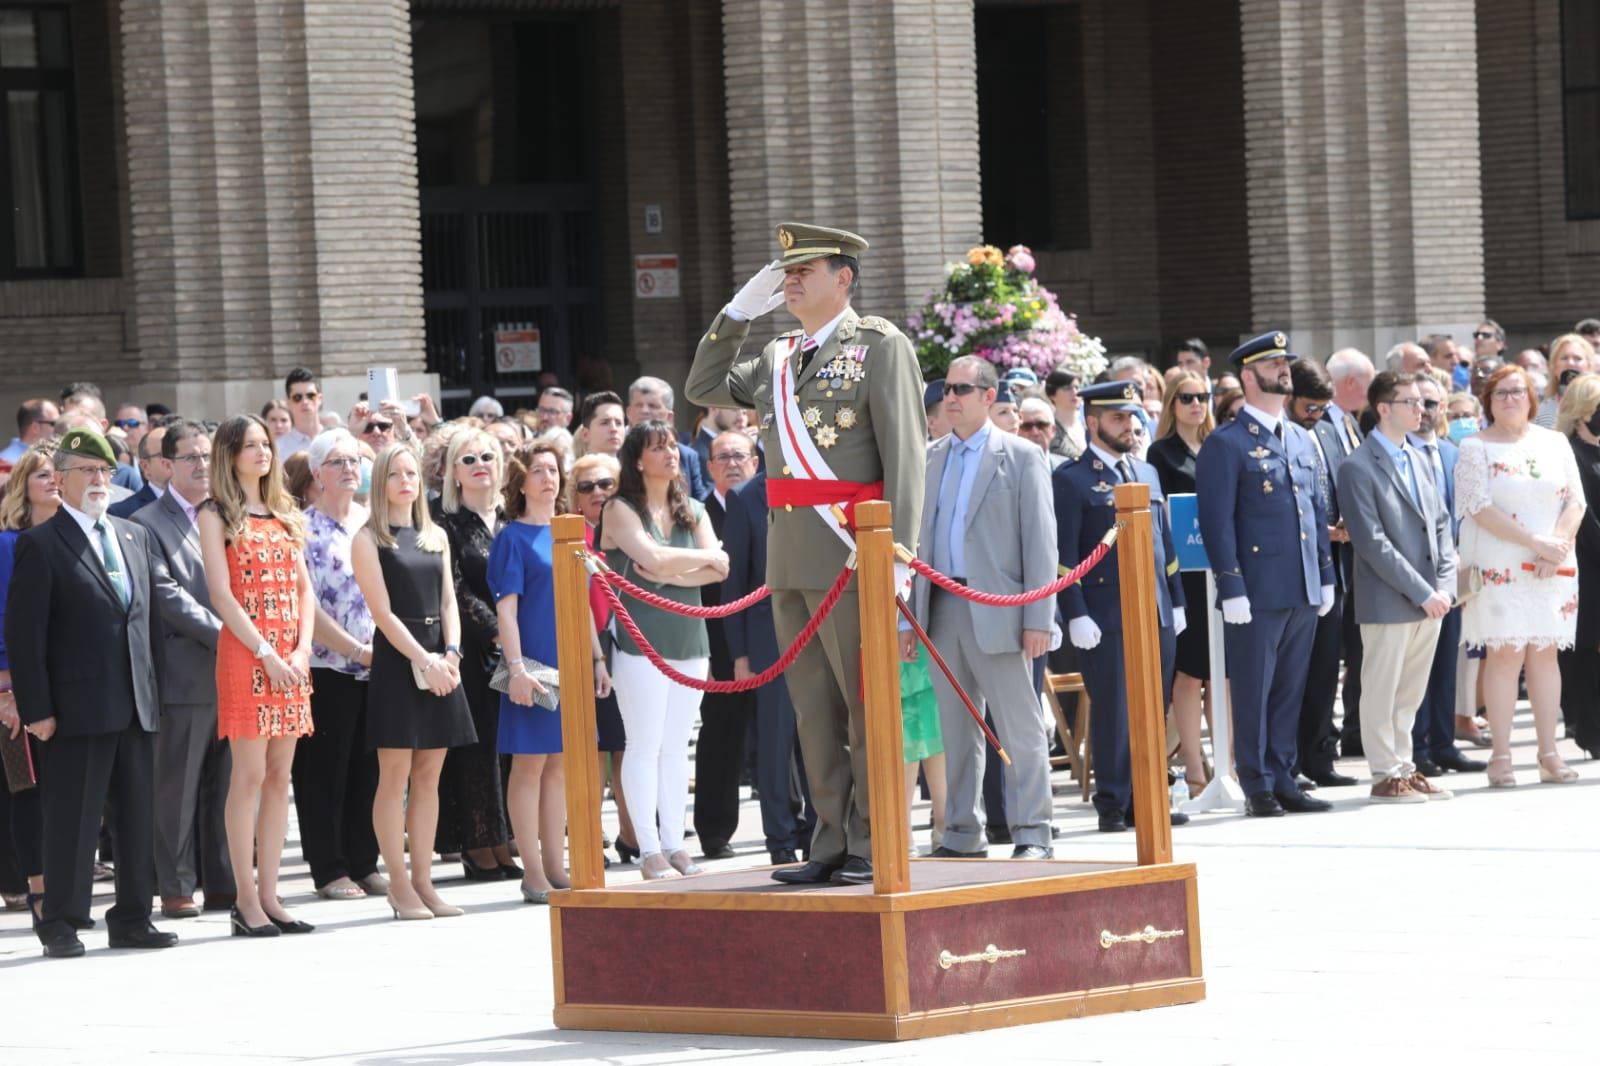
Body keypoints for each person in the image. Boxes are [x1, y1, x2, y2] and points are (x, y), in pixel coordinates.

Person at [686, 222, 926, 887]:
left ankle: (872, 843)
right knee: (813, 710)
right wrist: (737, 313)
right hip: (791, 556)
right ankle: (828, 840)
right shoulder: (777, 355)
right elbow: (703, 386)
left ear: (843, 278)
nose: (790, 283)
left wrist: (899, 555)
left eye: (804, 272)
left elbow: (906, 454)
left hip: (853, 552)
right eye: (784, 274)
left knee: (865, 706)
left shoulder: (879, 346)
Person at [8, 427, 176, 957]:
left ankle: (132, 917)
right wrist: (37, 709)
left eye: (105, 470)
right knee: (72, 820)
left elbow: (148, 624)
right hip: (76, 708)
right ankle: (60, 919)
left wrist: (157, 696)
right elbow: (25, 635)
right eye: (88, 471)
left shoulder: (133, 535)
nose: (101, 480)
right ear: (60, 481)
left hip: (134, 703)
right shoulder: (41, 544)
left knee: (136, 818)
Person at [906, 357, 1057, 857]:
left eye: (962, 389)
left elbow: (1040, 544)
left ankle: (1033, 831)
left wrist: (1039, 617)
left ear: (989, 397)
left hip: (1001, 610)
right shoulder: (929, 457)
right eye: (947, 389)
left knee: (1019, 726)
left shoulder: (1021, 456)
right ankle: (962, 832)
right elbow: (916, 544)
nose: (951, 398)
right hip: (941, 603)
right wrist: (909, 618)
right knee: (955, 728)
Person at [1196, 332, 1335, 818]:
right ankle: (1256, 783)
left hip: (1300, 582)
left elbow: (1314, 510)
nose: (1284, 370)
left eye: (1285, 363)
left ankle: (1284, 775)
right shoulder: (1227, 443)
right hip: (1255, 588)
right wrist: (1230, 584)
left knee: (1290, 687)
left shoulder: (1300, 436)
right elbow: (1216, 522)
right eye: (1273, 364)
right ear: (1249, 377)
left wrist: (1325, 573)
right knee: (1254, 688)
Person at [199, 415, 316, 938]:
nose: (263, 453)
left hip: (291, 660)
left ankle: (271, 895)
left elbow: (305, 591)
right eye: (250, 446)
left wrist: (303, 649)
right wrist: (267, 651)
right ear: (229, 455)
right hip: (249, 654)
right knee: (247, 777)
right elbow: (221, 595)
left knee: (278, 779)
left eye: (265, 444)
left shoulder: (287, 512)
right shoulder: (215, 512)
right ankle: (244, 899)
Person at [1055, 381, 1187, 832]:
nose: (1128, 426)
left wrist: (1178, 601)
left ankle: (1148, 795)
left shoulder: (1145, 472)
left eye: (1131, 417)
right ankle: (1113, 800)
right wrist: (1075, 612)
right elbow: (1063, 555)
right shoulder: (1071, 480)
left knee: (1155, 707)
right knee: (1114, 709)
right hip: (1104, 614)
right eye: (1117, 418)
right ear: (1092, 423)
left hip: (1155, 609)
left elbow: (1165, 545)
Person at [352, 443, 476, 919]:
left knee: (430, 777)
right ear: (380, 483)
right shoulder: (368, 539)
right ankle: (399, 885)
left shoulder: (435, 535)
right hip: (399, 659)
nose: (406, 481)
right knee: (395, 776)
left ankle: (424, 881)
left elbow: (449, 602)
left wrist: (451, 654)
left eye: (411, 473)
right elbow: (381, 613)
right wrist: (424, 659)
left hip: (441, 660)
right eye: (394, 474)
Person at [599, 422, 725, 880]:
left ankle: (675, 843)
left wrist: (666, 573)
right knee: (644, 744)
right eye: (658, 447)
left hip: (691, 639)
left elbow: (720, 567)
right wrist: (675, 564)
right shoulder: (619, 508)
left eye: (672, 445)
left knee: (677, 747)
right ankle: (647, 848)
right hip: (639, 641)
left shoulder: (693, 508)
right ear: (637, 459)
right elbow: (652, 558)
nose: (671, 453)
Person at [490, 442, 610, 901]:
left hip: (572, 661)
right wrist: (516, 669)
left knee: (560, 765)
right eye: (537, 470)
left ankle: (557, 867)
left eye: (553, 469)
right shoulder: (511, 538)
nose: (548, 477)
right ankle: (533, 871)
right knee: (529, 766)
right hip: (534, 663)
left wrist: (597, 659)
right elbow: (507, 610)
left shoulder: (570, 531)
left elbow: (579, 604)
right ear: (521, 482)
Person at [1456, 365, 1585, 787]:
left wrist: (1557, 545)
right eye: (1500, 394)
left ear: (1532, 399)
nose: (1509, 399)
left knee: (1546, 654)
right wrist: (1536, 543)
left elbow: (1575, 501)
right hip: (1501, 562)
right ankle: (1501, 756)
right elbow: (1478, 508)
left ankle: (1549, 754)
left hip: (1554, 564)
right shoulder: (1475, 448)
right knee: (1506, 654)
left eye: (1517, 392)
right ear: (1488, 403)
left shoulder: (1555, 442)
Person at [1336, 372, 1457, 803]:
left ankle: (1406, 765)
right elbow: (1371, 542)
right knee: (1382, 689)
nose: (1420, 410)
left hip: (1432, 599)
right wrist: (1423, 591)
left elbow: (1442, 524)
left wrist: (1443, 584)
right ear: (1383, 408)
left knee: (1410, 692)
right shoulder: (1357, 466)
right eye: (1410, 402)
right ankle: (1385, 773)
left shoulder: (1423, 457)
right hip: (1390, 599)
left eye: (1422, 402)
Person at [131, 420, 234, 918]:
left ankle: (223, 882)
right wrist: (235, 636)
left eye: (208, 456)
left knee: (229, 784)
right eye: (191, 457)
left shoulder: (231, 515)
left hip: (238, 676)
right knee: (178, 785)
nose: (201, 465)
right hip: (187, 674)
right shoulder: (148, 523)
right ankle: (175, 886)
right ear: (167, 464)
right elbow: (165, 595)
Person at [292, 429, 385, 902]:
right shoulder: (302, 528)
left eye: (354, 461)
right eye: (336, 462)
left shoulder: (371, 523)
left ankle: (364, 860)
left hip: (378, 667)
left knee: (369, 770)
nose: (349, 469)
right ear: (316, 474)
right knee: (326, 772)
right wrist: (354, 650)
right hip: (330, 668)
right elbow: (308, 604)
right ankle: (329, 867)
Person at [433, 428, 519, 882]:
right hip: (473, 650)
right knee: (478, 749)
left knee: (510, 748)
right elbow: (456, 589)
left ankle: (504, 840)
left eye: (487, 455)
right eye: (468, 459)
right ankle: (477, 843)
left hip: (523, 648)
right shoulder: (445, 521)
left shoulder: (512, 517)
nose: (480, 463)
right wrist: (497, 633)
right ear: (453, 473)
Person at [722, 468, 815, 865]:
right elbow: (735, 582)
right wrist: (739, 653)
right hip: (767, 637)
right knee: (776, 743)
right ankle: (780, 836)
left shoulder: (818, 479)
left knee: (820, 737)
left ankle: (821, 832)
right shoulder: (744, 497)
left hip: (817, 627)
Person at [1406, 374, 1485, 778]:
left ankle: (1443, 743)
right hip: (1412, 581)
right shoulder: (1398, 454)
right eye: (1417, 403)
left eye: (1432, 404)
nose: (1424, 411)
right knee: (1416, 665)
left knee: (1446, 664)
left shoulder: (1454, 454)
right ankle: (1417, 748)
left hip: (1451, 576)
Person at [1285, 358, 1357, 788]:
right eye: (1309, 408)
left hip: (1334, 566)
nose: (1316, 417)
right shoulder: (1284, 435)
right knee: (1295, 670)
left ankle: (1319, 756)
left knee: (1327, 667)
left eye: (1323, 409)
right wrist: (1319, 530)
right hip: (1294, 569)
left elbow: (1335, 483)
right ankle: (1288, 760)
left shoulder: (1327, 430)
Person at [1147, 369, 1216, 795]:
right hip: (1185, 576)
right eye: (1187, 397)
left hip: (1220, 575)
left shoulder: (1217, 447)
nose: (1196, 404)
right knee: (1190, 676)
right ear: (1173, 404)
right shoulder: (1162, 454)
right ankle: (1194, 770)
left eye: (1203, 396)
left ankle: (1227, 763)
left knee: (1223, 677)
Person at [0, 445, 60, 926]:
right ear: (23, 484)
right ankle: (38, 891)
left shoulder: (79, 535)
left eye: (59, 472)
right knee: (29, 789)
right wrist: (8, 689)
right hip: (18, 689)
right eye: (42, 474)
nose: (53, 480)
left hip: (73, 685)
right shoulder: (8, 544)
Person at [567, 452, 637, 863]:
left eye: (606, 484)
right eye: (587, 486)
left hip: (632, 648)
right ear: (574, 499)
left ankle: (632, 834)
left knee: (628, 745)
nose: (598, 493)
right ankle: (591, 839)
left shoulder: (630, 529)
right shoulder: (573, 538)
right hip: (589, 650)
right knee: (595, 750)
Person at [693, 431, 759, 859]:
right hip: (716, 644)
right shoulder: (696, 515)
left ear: (755, 461)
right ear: (710, 466)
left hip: (768, 638)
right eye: (723, 457)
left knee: (781, 736)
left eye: (740, 455)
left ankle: (792, 822)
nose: (733, 463)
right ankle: (714, 830)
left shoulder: (768, 503)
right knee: (720, 736)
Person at [1557, 374, 1600, 759]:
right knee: (1587, 650)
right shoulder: (1570, 455)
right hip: (1587, 566)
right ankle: (1590, 730)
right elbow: (1582, 516)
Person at [625, 376, 710, 501]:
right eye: (639, 405)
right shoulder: (613, 451)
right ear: (629, 413)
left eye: (652, 406)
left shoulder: (686, 456)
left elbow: (701, 504)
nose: (644, 411)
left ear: (669, 417)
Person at [1535, 333, 1595, 429]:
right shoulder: (1541, 410)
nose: (1570, 363)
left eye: (1577, 358)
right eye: (1564, 358)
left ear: (1589, 365)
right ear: (1554, 366)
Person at [0, 397, 60, 484]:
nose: (59, 429)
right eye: (54, 424)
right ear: (35, 427)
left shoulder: (55, 455)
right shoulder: (6, 464)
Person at [277, 367, 324, 458]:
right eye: (297, 397)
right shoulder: (279, 449)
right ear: (288, 403)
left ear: (320, 399)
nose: (305, 401)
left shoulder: (336, 438)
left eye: (311, 396)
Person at [1044, 367, 1084, 459]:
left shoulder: (1090, 425)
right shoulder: (1048, 429)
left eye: (1077, 387)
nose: (1074, 392)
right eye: (1067, 388)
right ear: (1053, 395)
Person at [575, 390, 627, 458]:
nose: (614, 429)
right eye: (605, 423)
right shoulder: (579, 468)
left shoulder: (636, 468)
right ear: (585, 434)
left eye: (618, 423)